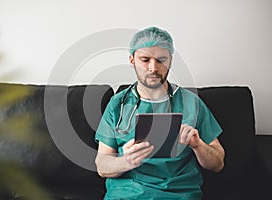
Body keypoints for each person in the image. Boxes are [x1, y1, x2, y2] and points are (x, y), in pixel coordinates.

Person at [94, 26, 225, 200]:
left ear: (170, 60)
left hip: (179, 193)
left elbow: (218, 163)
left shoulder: (191, 103)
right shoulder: (118, 104)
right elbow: (102, 166)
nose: (153, 68)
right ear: (132, 60)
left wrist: (197, 144)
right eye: (145, 59)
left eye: (161, 60)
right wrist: (126, 161)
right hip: (128, 194)